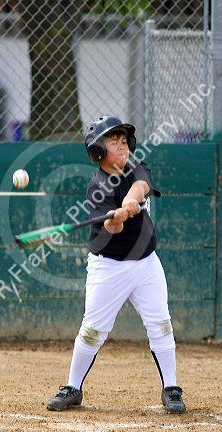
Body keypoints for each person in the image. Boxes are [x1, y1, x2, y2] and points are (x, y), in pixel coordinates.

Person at [47, 115, 186, 414]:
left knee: (160, 323)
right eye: (114, 141)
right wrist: (118, 217)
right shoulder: (96, 187)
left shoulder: (136, 167)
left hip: (146, 263)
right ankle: (73, 387)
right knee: (92, 331)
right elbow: (113, 230)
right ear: (97, 150)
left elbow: (142, 185)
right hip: (108, 268)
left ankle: (171, 388)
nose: (122, 145)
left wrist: (130, 201)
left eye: (124, 140)